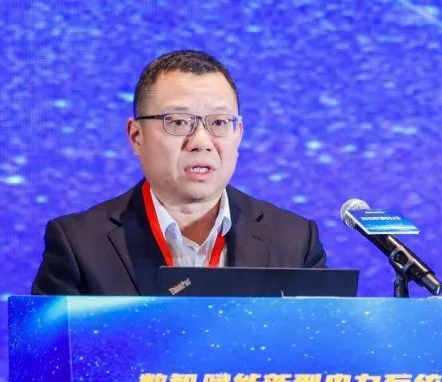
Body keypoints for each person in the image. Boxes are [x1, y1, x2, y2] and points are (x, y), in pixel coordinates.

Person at [31, 50, 327, 295]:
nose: (201, 142)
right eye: (178, 122)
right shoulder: (79, 244)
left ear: (239, 134)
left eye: (219, 122)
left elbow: (319, 345)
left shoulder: (294, 240)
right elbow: (50, 350)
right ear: (136, 136)